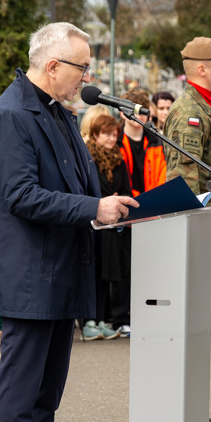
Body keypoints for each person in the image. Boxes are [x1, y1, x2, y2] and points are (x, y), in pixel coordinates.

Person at [0, 22, 137, 422]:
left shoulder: (61, 113)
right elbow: (22, 195)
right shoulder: (10, 116)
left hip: (61, 271)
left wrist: (123, 209)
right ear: (52, 66)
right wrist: (94, 208)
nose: (87, 77)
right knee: (21, 397)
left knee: (46, 398)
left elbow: (79, 186)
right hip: (30, 278)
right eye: (82, 66)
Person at [163, 35, 211, 422]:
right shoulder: (189, 112)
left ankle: (193, 407)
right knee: (190, 319)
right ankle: (184, 409)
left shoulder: (207, 108)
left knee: (201, 319)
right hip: (198, 226)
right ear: (201, 69)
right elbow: (184, 180)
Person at [84, 112, 129, 340]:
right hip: (91, 223)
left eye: (114, 134)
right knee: (91, 273)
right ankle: (88, 320)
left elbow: (128, 190)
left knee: (106, 274)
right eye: (107, 134)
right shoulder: (85, 156)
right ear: (95, 134)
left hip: (112, 226)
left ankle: (101, 319)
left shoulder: (119, 160)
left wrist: (118, 199)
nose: (112, 138)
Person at [119, 88, 166, 196]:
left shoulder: (157, 142)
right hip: (126, 204)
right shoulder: (115, 142)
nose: (140, 114)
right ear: (122, 113)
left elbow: (163, 177)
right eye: (135, 110)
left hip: (155, 203)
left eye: (143, 109)